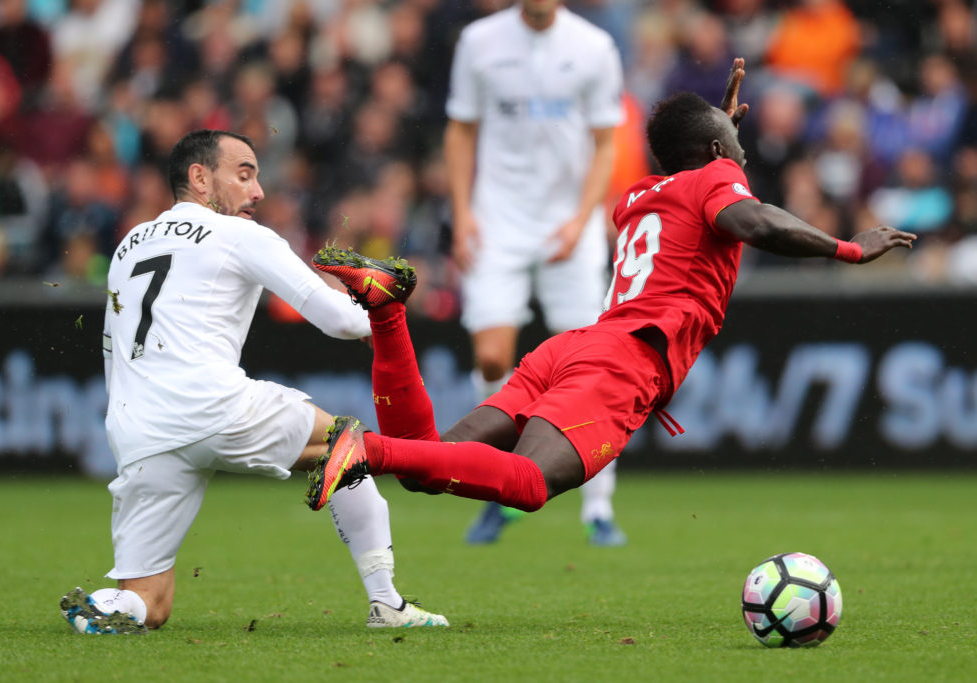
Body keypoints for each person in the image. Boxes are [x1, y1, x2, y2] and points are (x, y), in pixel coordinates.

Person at [304, 59, 917, 523]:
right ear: (714, 155)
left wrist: (716, 135)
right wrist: (849, 248)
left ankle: (386, 313)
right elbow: (751, 221)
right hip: (624, 360)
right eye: (734, 151)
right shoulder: (715, 179)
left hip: (573, 350)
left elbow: (699, 185)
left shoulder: (639, 196)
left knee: (429, 464)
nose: (742, 159)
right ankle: (367, 448)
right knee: (529, 483)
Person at [58, 129, 448, 635]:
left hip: (139, 429)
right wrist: (380, 297)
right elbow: (343, 321)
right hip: (212, 405)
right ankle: (387, 604)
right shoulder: (239, 235)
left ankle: (111, 606)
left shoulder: (129, 245)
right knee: (344, 443)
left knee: (149, 605)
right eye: (244, 174)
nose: (258, 190)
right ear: (200, 178)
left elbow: (113, 348)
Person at [443, 0, 627, 546]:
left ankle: (598, 508)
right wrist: (463, 214)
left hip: (571, 225)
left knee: (595, 370)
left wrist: (582, 218)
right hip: (497, 221)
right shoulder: (478, 41)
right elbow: (460, 130)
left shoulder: (594, 47)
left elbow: (605, 144)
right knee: (493, 358)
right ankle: (503, 494)